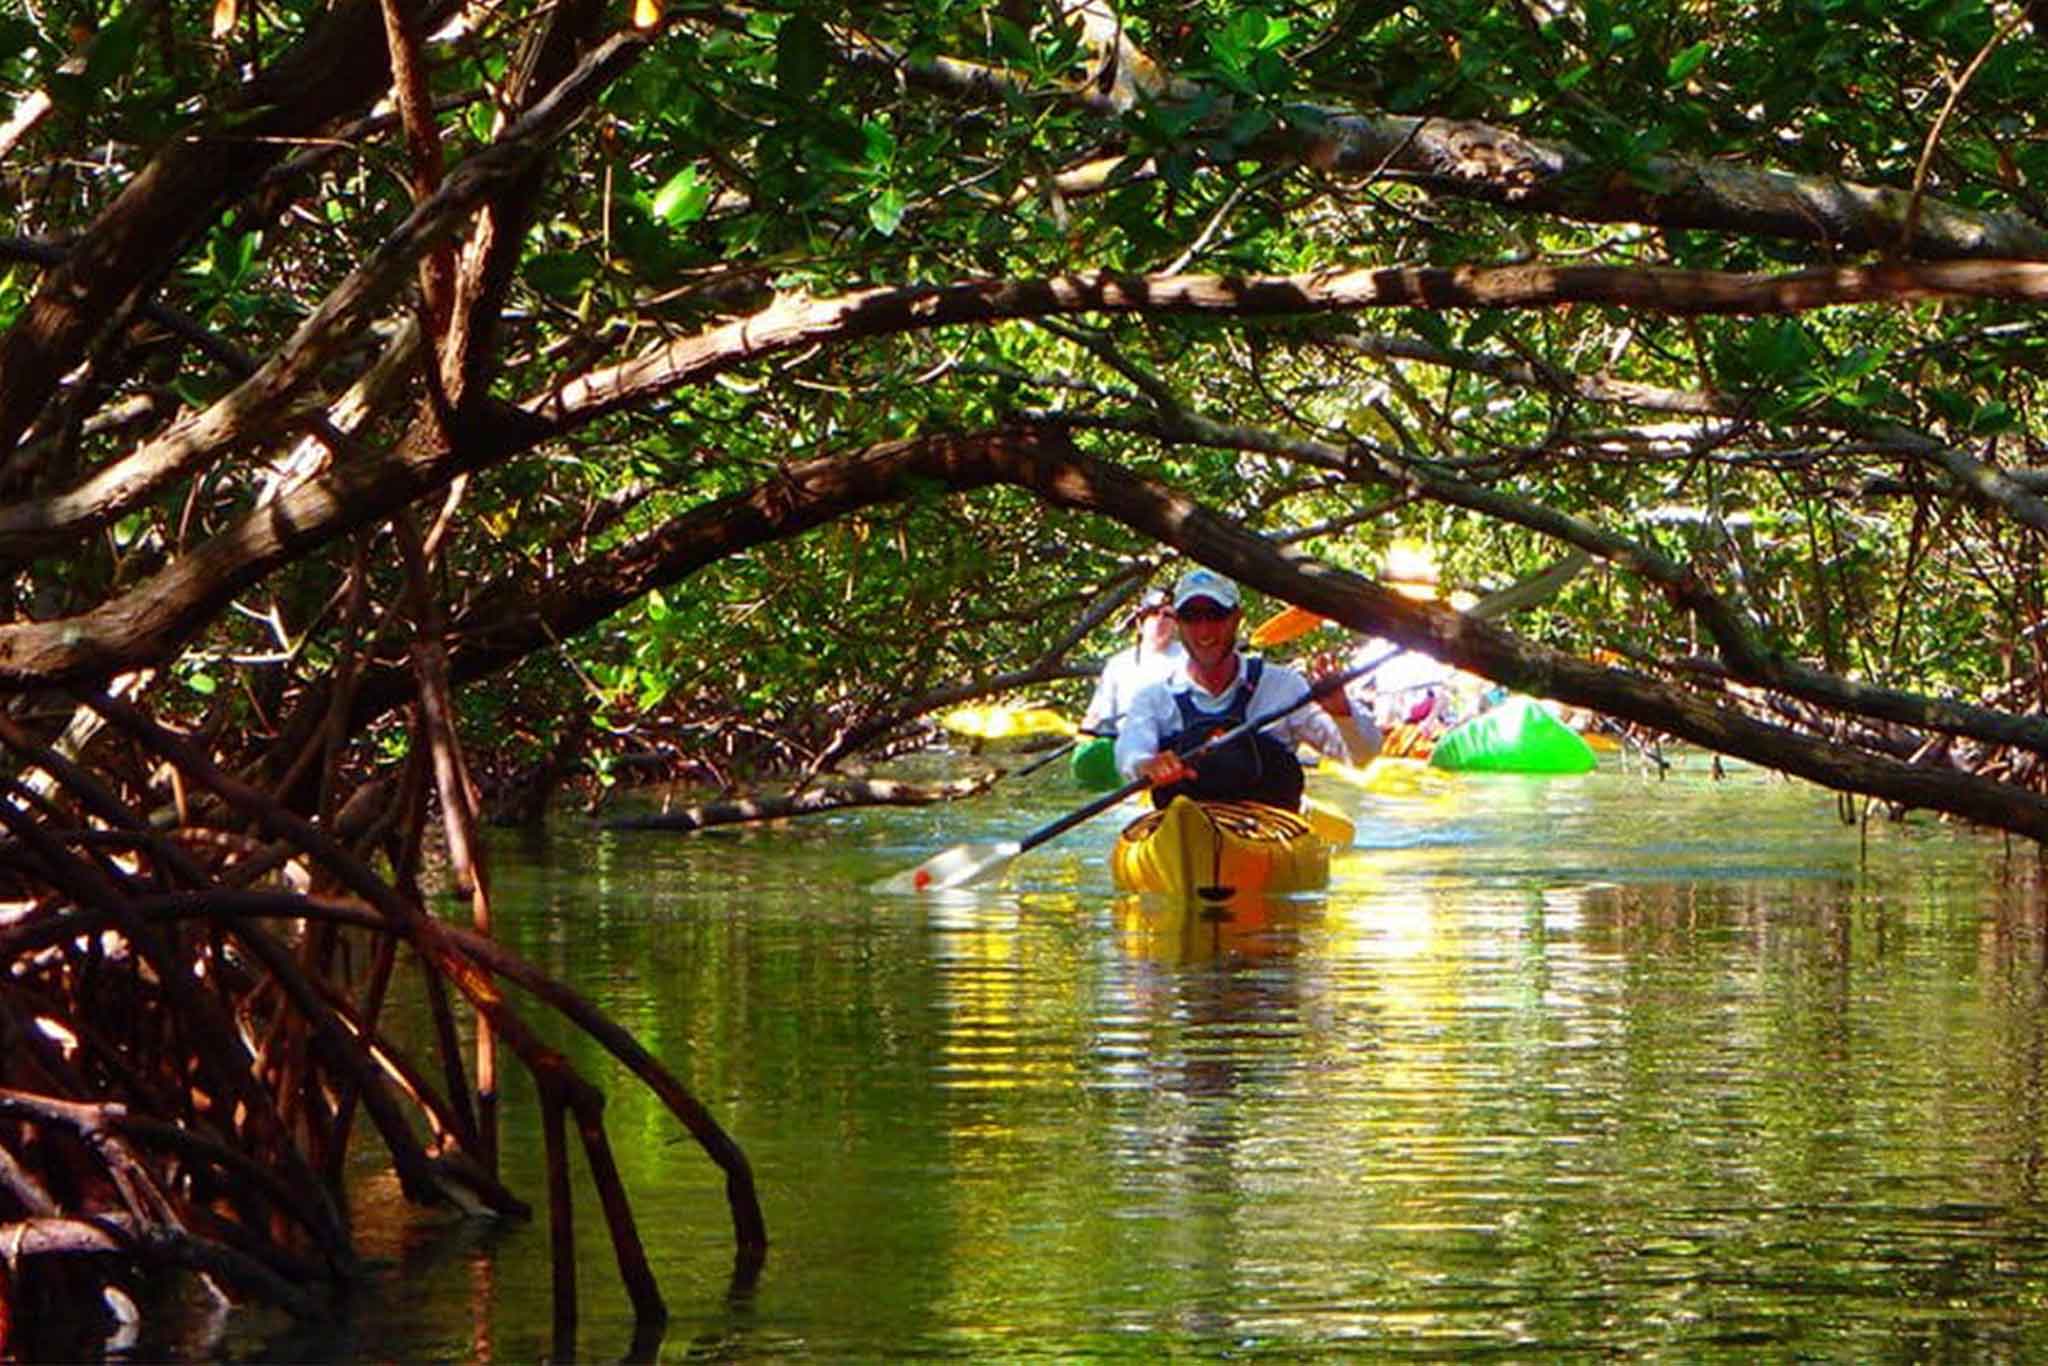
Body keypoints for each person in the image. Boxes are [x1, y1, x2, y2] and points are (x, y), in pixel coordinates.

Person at [1115, 568, 1380, 810]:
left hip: (1270, 830)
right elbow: (1130, 754)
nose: (1204, 631)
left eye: (1216, 615)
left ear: (1237, 618)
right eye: (1191, 617)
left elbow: (1362, 757)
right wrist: (1145, 766)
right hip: (1184, 830)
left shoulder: (1284, 687)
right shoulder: (1153, 698)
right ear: (1178, 622)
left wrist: (1341, 712)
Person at [1080, 587, 1185, 738]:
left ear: (1176, 624)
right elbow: (1097, 716)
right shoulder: (1118, 665)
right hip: (1129, 748)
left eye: (1167, 615)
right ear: (1140, 623)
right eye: (1154, 614)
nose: (1160, 620)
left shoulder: (1190, 658)